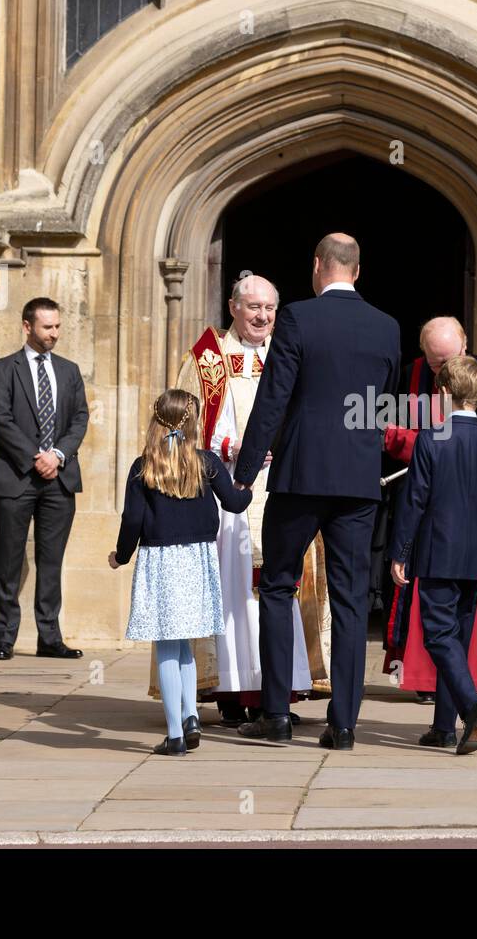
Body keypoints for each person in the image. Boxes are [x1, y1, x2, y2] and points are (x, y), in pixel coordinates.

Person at [233, 233, 401, 749]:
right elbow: (383, 404)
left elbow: (274, 396)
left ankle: (277, 714)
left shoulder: (299, 318)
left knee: (279, 586)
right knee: (352, 601)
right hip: (356, 481)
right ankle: (344, 723)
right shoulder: (387, 327)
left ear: (317, 266)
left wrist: (243, 471)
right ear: (358, 270)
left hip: (301, 476)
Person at [153, 274, 332, 725]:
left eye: (270, 308)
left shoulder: (287, 351)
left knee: (276, 587)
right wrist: (227, 447)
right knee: (233, 589)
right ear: (233, 307)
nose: (263, 316)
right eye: (254, 307)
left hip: (285, 484)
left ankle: (280, 689)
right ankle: (232, 688)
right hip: (225, 491)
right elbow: (180, 424)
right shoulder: (207, 358)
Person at [375, 316, 477, 702]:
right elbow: (382, 428)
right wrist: (403, 442)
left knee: (451, 625)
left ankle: (466, 694)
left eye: (449, 360)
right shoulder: (409, 378)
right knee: (440, 620)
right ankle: (436, 698)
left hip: (469, 517)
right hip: (426, 516)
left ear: (465, 348)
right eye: (434, 364)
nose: (442, 372)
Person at [110, 390, 252, 755]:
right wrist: (248, 483)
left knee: (167, 648)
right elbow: (235, 503)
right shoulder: (205, 462)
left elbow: (133, 520)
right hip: (197, 560)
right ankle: (189, 716)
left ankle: (176, 734)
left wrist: (120, 556)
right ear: (193, 422)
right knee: (185, 643)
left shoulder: (144, 467)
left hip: (161, 562)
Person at [388, 356, 477, 754]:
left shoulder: (431, 439)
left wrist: (400, 553)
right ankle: (443, 726)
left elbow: (414, 503)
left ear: (442, 393)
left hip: (437, 555)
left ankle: (472, 707)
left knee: (439, 635)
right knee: (455, 639)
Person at [0, 297, 89, 661]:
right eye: (47, 327)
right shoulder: (2, 369)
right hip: (16, 476)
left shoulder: (69, 371)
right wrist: (36, 458)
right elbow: (0, 420)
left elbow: (80, 419)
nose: (54, 334)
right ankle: (3, 638)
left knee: (51, 561)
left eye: (58, 327)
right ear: (28, 327)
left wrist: (57, 455)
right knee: (8, 559)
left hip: (59, 479)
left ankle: (49, 638)